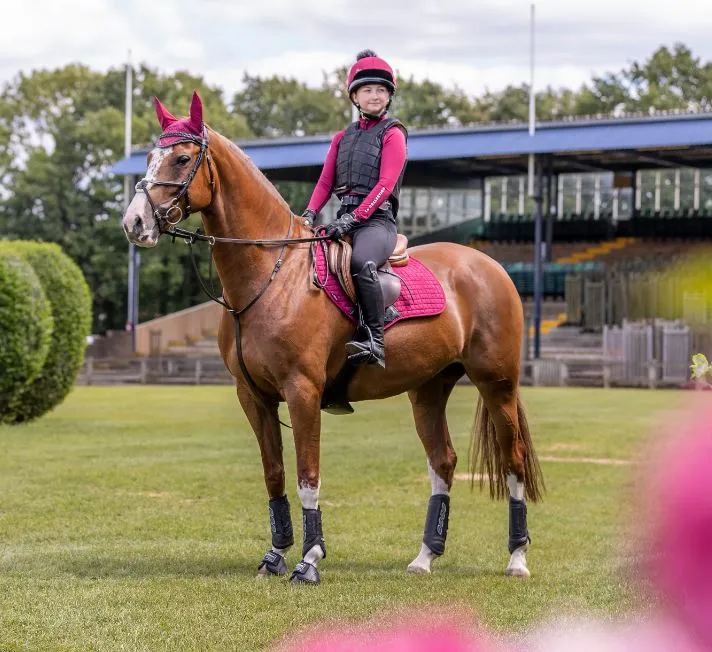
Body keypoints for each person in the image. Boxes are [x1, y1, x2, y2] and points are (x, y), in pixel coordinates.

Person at [302, 49, 408, 369]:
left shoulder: (393, 134)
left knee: (361, 262)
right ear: (355, 97)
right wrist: (308, 214)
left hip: (376, 222)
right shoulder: (341, 138)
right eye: (367, 90)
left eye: (380, 90)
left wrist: (353, 218)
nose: (374, 96)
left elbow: (385, 185)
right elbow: (324, 183)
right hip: (343, 219)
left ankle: (375, 339)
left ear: (388, 96)